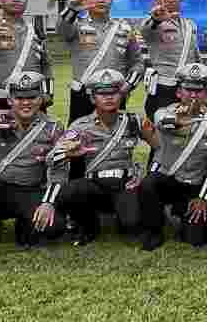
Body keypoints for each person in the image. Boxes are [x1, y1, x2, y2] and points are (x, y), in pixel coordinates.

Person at [0, 71, 65, 254]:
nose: (26, 103)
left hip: (31, 191)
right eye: (19, 98)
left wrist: (48, 203)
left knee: (53, 227)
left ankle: (24, 226)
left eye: (32, 97)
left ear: (41, 99)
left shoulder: (53, 127)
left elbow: (59, 170)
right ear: (9, 100)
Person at [49, 69, 153, 246]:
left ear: (121, 95)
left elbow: (161, 147)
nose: (109, 97)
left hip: (125, 184)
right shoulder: (80, 126)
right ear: (92, 98)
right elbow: (51, 158)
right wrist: (67, 153)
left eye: (114, 93)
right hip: (95, 186)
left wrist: (144, 175)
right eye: (102, 94)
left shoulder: (134, 120)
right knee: (72, 190)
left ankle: (124, 216)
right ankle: (88, 226)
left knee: (132, 225)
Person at [138, 62, 207, 251]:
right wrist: (189, 119)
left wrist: (203, 198)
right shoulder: (164, 112)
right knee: (148, 184)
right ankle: (153, 230)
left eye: (199, 90)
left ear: (206, 93)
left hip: (195, 183)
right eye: (188, 90)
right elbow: (164, 123)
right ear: (179, 92)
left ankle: (180, 213)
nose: (193, 95)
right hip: (168, 180)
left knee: (196, 240)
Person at [58, 0, 142, 132]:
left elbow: (138, 63)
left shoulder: (125, 28)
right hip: (83, 94)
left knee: (114, 135)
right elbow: (61, 31)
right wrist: (71, 10)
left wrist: (128, 86)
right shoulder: (75, 25)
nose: (101, 0)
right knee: (77, 137)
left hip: (114, 93)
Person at [139, 0, 199, 120]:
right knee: (161, 131)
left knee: (189, 128)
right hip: (163, 89)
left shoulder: (190, 25)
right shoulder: (152, 23)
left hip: (189, 88)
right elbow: (146, 29)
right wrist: (156, 18)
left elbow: (195, 57)